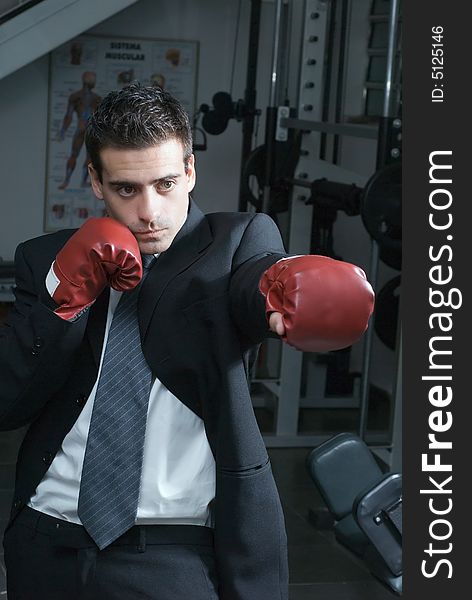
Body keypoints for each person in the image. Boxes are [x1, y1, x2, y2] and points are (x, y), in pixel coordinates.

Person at [0, 83, 374, 600]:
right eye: (127, 189)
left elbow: (252, 281)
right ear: (96, 181)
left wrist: (283, 284)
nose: (150, 211)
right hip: (46, 543)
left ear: (190, 172)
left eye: (166, 183)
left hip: (172, 555)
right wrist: (63, 305)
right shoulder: (45, 259)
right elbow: (9, 399)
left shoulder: (235, 244)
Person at [56, 71, 101, 190]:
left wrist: (63, 131)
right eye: (93, 81)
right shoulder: (93, 98)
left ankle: (70, 181)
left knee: (79, 156)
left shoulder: (78, 97)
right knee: (83, 157)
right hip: (89, 130)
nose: (94, 83)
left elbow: (68, 116)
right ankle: (76, 181)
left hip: (84, 129)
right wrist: (62, 131)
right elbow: (68, 116)